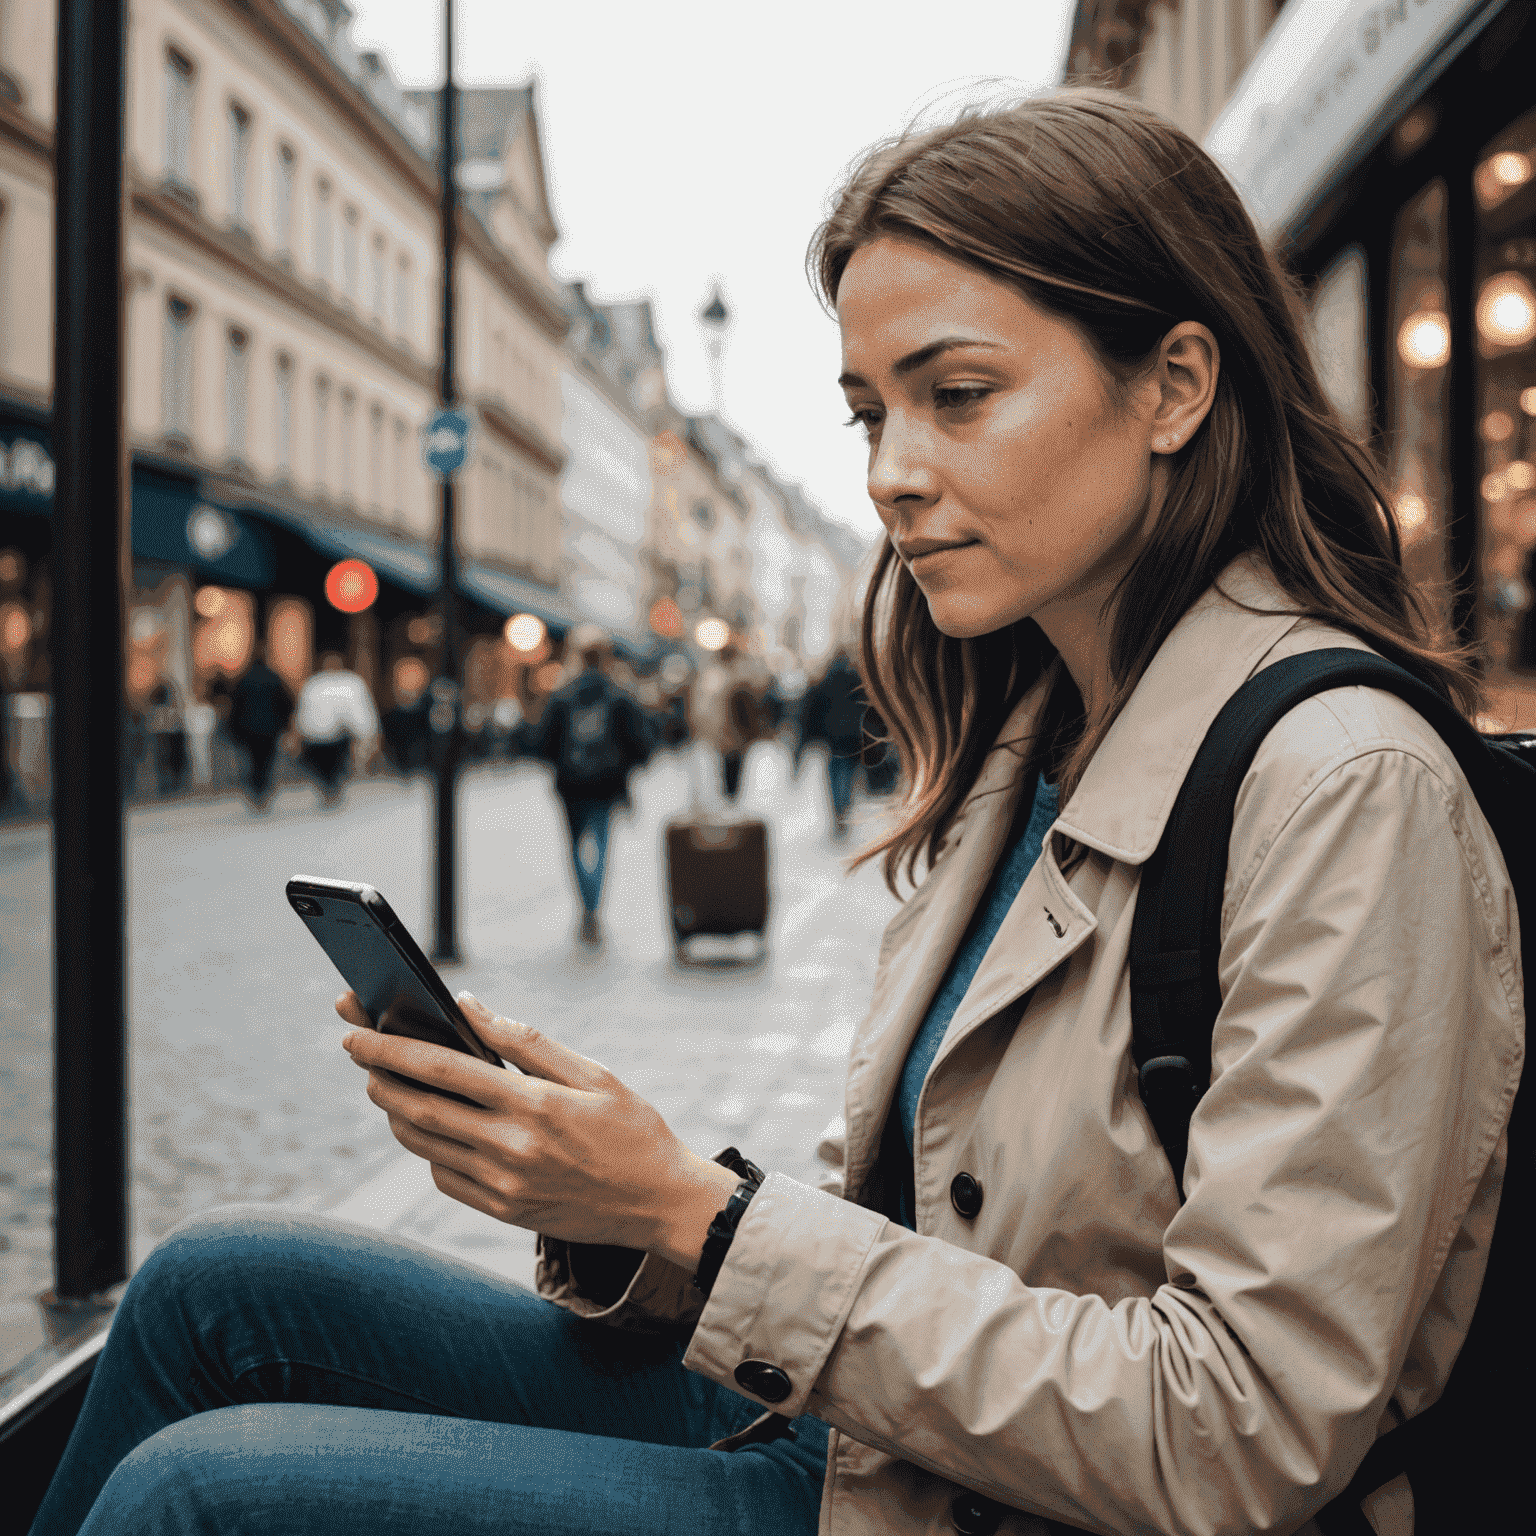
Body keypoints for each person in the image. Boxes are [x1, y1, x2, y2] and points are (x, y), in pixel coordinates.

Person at [30, 90, 1522, 1536]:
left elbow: (1243, 1431)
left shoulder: (1341, 783)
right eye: (870, 413)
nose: (891, 475)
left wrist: (704, 1215)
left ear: (1175, 388)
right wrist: (618, 1192)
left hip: (1004, 1505)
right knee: (212, 1290)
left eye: (960, 396)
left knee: (199, 1498)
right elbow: (920, 1248)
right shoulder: (1033, 737)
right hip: (886, 1442)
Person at [520, 624, 656, 947]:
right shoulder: (617, 693)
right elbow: (641, 739)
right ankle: (594, 907)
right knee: (602, 845)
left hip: (571, 784)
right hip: (606, 784)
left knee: (575, 847)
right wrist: (630, 766)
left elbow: (541, 740)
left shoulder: (563, 694)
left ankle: (586, 906)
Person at [796, 646, 866, 837]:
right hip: (852, 736)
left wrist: (811, 736)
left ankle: (838, 813)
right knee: (849, 777)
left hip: (833, 737)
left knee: (835, 777)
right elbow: (866, 708)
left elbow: (814, 709)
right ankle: (844, 810)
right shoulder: (855, 680)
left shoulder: (826, 681)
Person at [294, 651, 380, 807]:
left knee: (330, 767)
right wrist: (366, 731)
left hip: (327, 736)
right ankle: (330, 790)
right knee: (330, 767)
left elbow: (358, 709)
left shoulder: (318, 684)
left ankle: (330, 790)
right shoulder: (345, 683)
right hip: (327, 736)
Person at [689, 642, 759, 803]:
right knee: (719, 775)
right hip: (723, 736)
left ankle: (728, 803)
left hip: (724, 736)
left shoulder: (720, 676)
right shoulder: (719, 678)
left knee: (726, 774)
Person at [227, 645, 294, 809]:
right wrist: (284, 724)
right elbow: (287, 702)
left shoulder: (243, 679)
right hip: (270, 729)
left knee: (252, 760)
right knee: (266, 761)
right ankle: (263, 791)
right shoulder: (274, 678)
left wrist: (234, 730)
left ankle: (256, 790)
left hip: (248, 729)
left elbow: (235, 707)